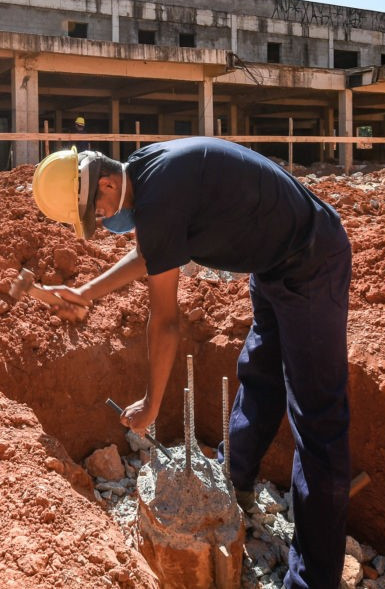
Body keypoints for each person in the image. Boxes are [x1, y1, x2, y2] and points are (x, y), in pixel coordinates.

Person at [31, 137, 352, 589]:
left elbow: (165, 322)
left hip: (312, 260)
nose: (102, 224)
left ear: (105, 183)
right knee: (260, 374)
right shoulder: (143, 171)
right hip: (274, 263)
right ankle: (232, 477)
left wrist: (151, 404)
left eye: (97, 214)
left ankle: (314, 579)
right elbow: (152, 253)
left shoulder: (158, 194)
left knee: (318, 420)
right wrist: (87, 293)